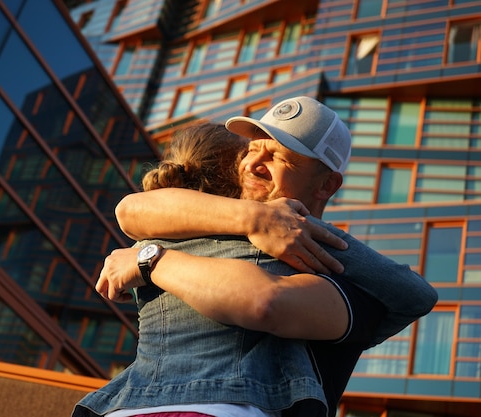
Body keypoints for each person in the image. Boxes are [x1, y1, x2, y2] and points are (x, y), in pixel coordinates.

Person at [76, 97, 438, 416]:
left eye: (280, 156)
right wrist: (256, 217)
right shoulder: (202, 224)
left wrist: (149, 260)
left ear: (326, 185)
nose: (253, 163)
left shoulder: (339, 276)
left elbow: (268, 302)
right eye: (251, 149)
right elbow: (129, 211)